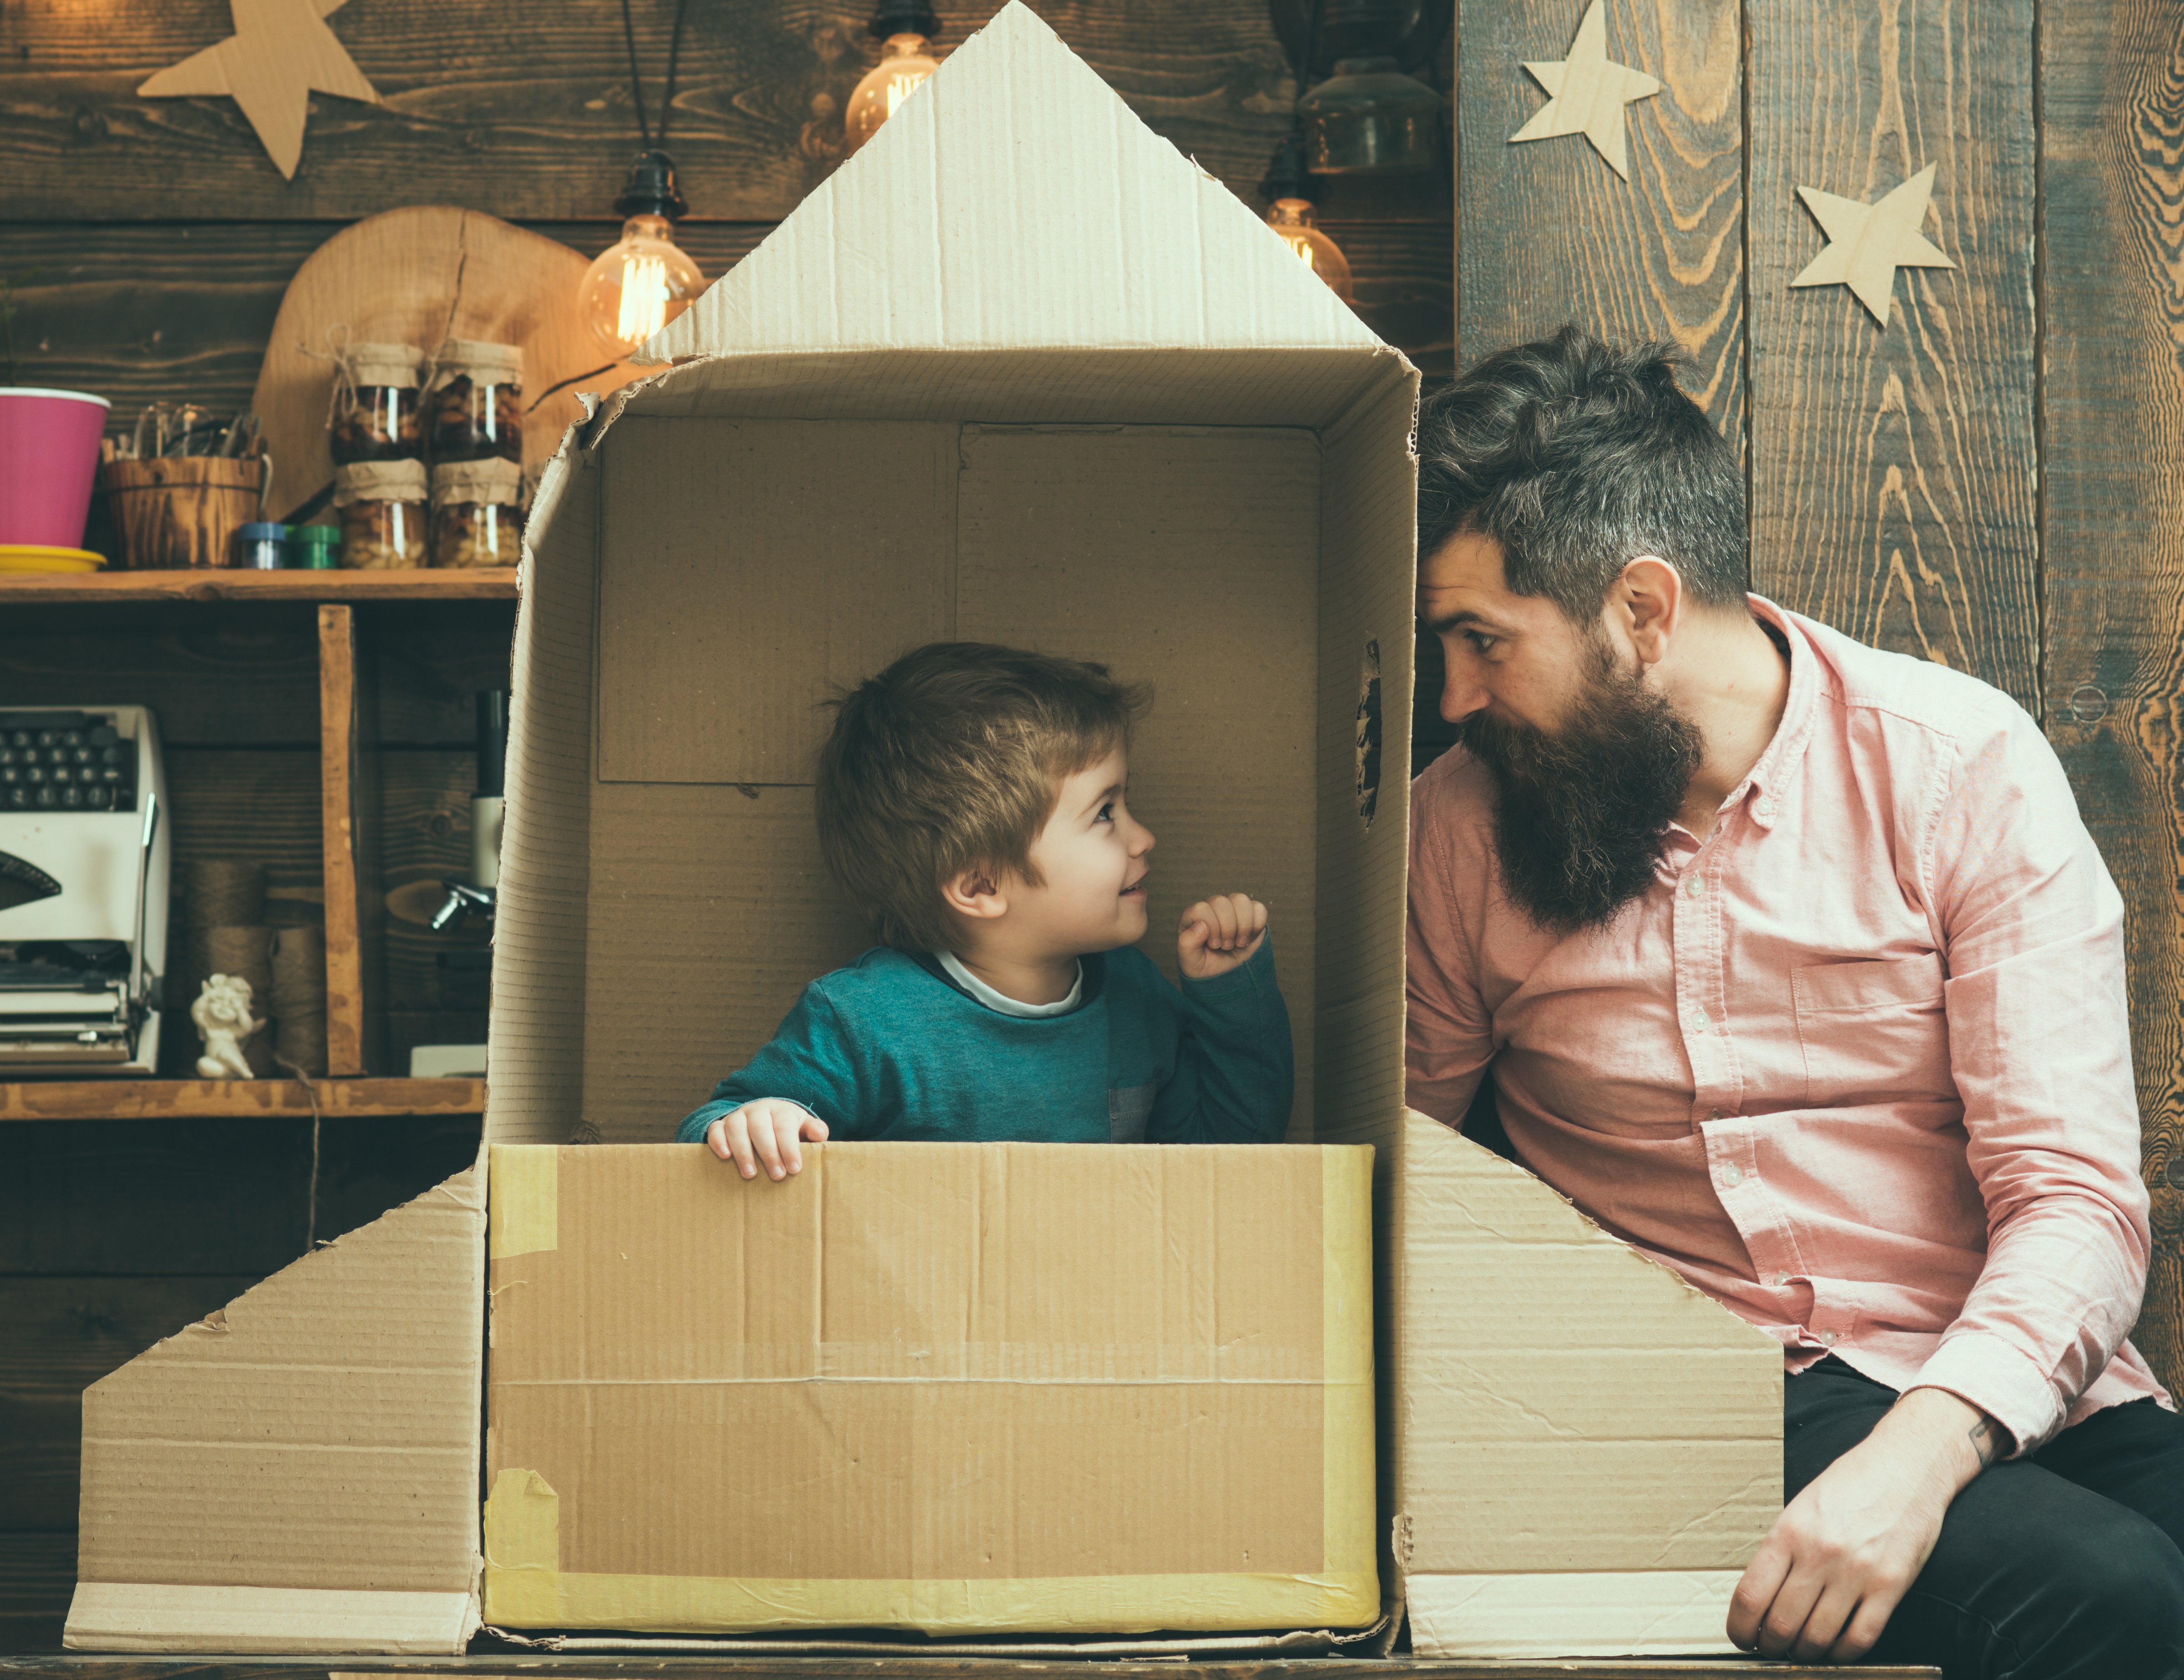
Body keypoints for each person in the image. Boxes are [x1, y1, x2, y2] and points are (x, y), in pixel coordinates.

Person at [1404, 326, 2184, 1675]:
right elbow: (1387, 1168)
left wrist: (1921, 1456)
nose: (1454, 697)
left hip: (1992, 1367)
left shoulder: (1961, 767)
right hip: (1701, 1390)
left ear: (1641, 612)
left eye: (1484, 641)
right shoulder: (1458, 833)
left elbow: (2075, 1198)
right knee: (2111, 1600)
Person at [675, 640, 1293, 1173]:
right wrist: (757, 1122)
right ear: (981, 888)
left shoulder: (1133, 995)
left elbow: (1227, 1152)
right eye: (1105, 813)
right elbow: (710, 1126)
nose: (1143, 838)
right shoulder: (866, 1021)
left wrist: (1231, 998)